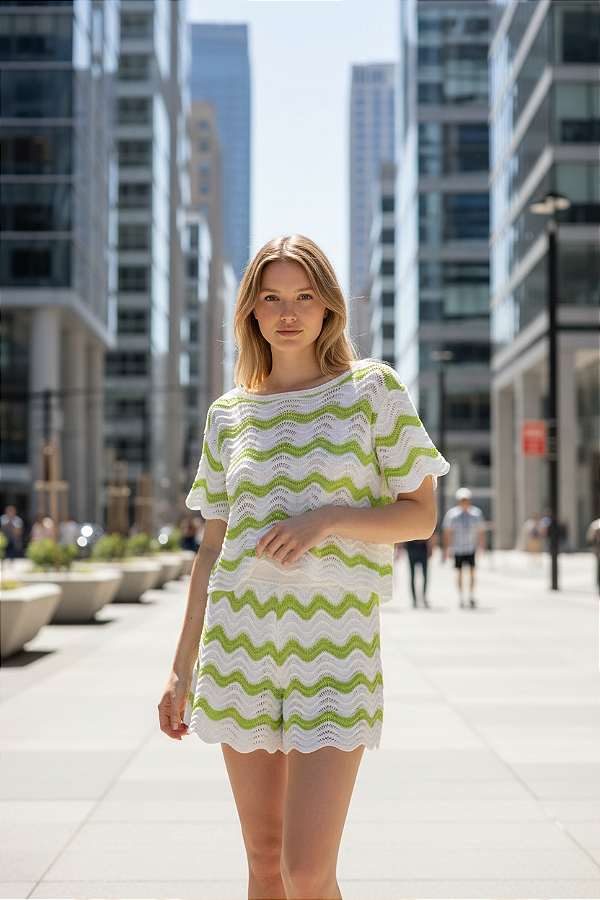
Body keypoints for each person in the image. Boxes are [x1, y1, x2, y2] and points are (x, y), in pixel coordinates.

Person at [158, 235, 449, 899]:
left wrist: (327, 520)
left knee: (306, 872)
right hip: (240, 652)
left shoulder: (371, 390)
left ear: (328, 309)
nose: (288, 311)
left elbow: (421, 515)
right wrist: (182, 668)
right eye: (271, 298)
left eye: (304, 296)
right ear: (252, 313)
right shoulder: (228, 414)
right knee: (264, 864)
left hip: (333, 656)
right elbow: (210, 549)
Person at [442, 487, 486, 608]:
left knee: (472, 572)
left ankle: (471, 595)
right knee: (459, 573)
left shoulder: (476, 514)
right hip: (458, 548)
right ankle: (461, 596)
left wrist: (483, 547)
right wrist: (447, 549)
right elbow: (448, 533)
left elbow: (481, 531)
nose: (464, 502)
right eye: (462, 500)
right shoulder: (452, 515)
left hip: (471, 547)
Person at [401, 538, 433, 607]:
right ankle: (415, 599)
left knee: (423, 575)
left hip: (422, 546)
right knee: (413, 575)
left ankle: (422, 597)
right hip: (412, 546)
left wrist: (431, 547)